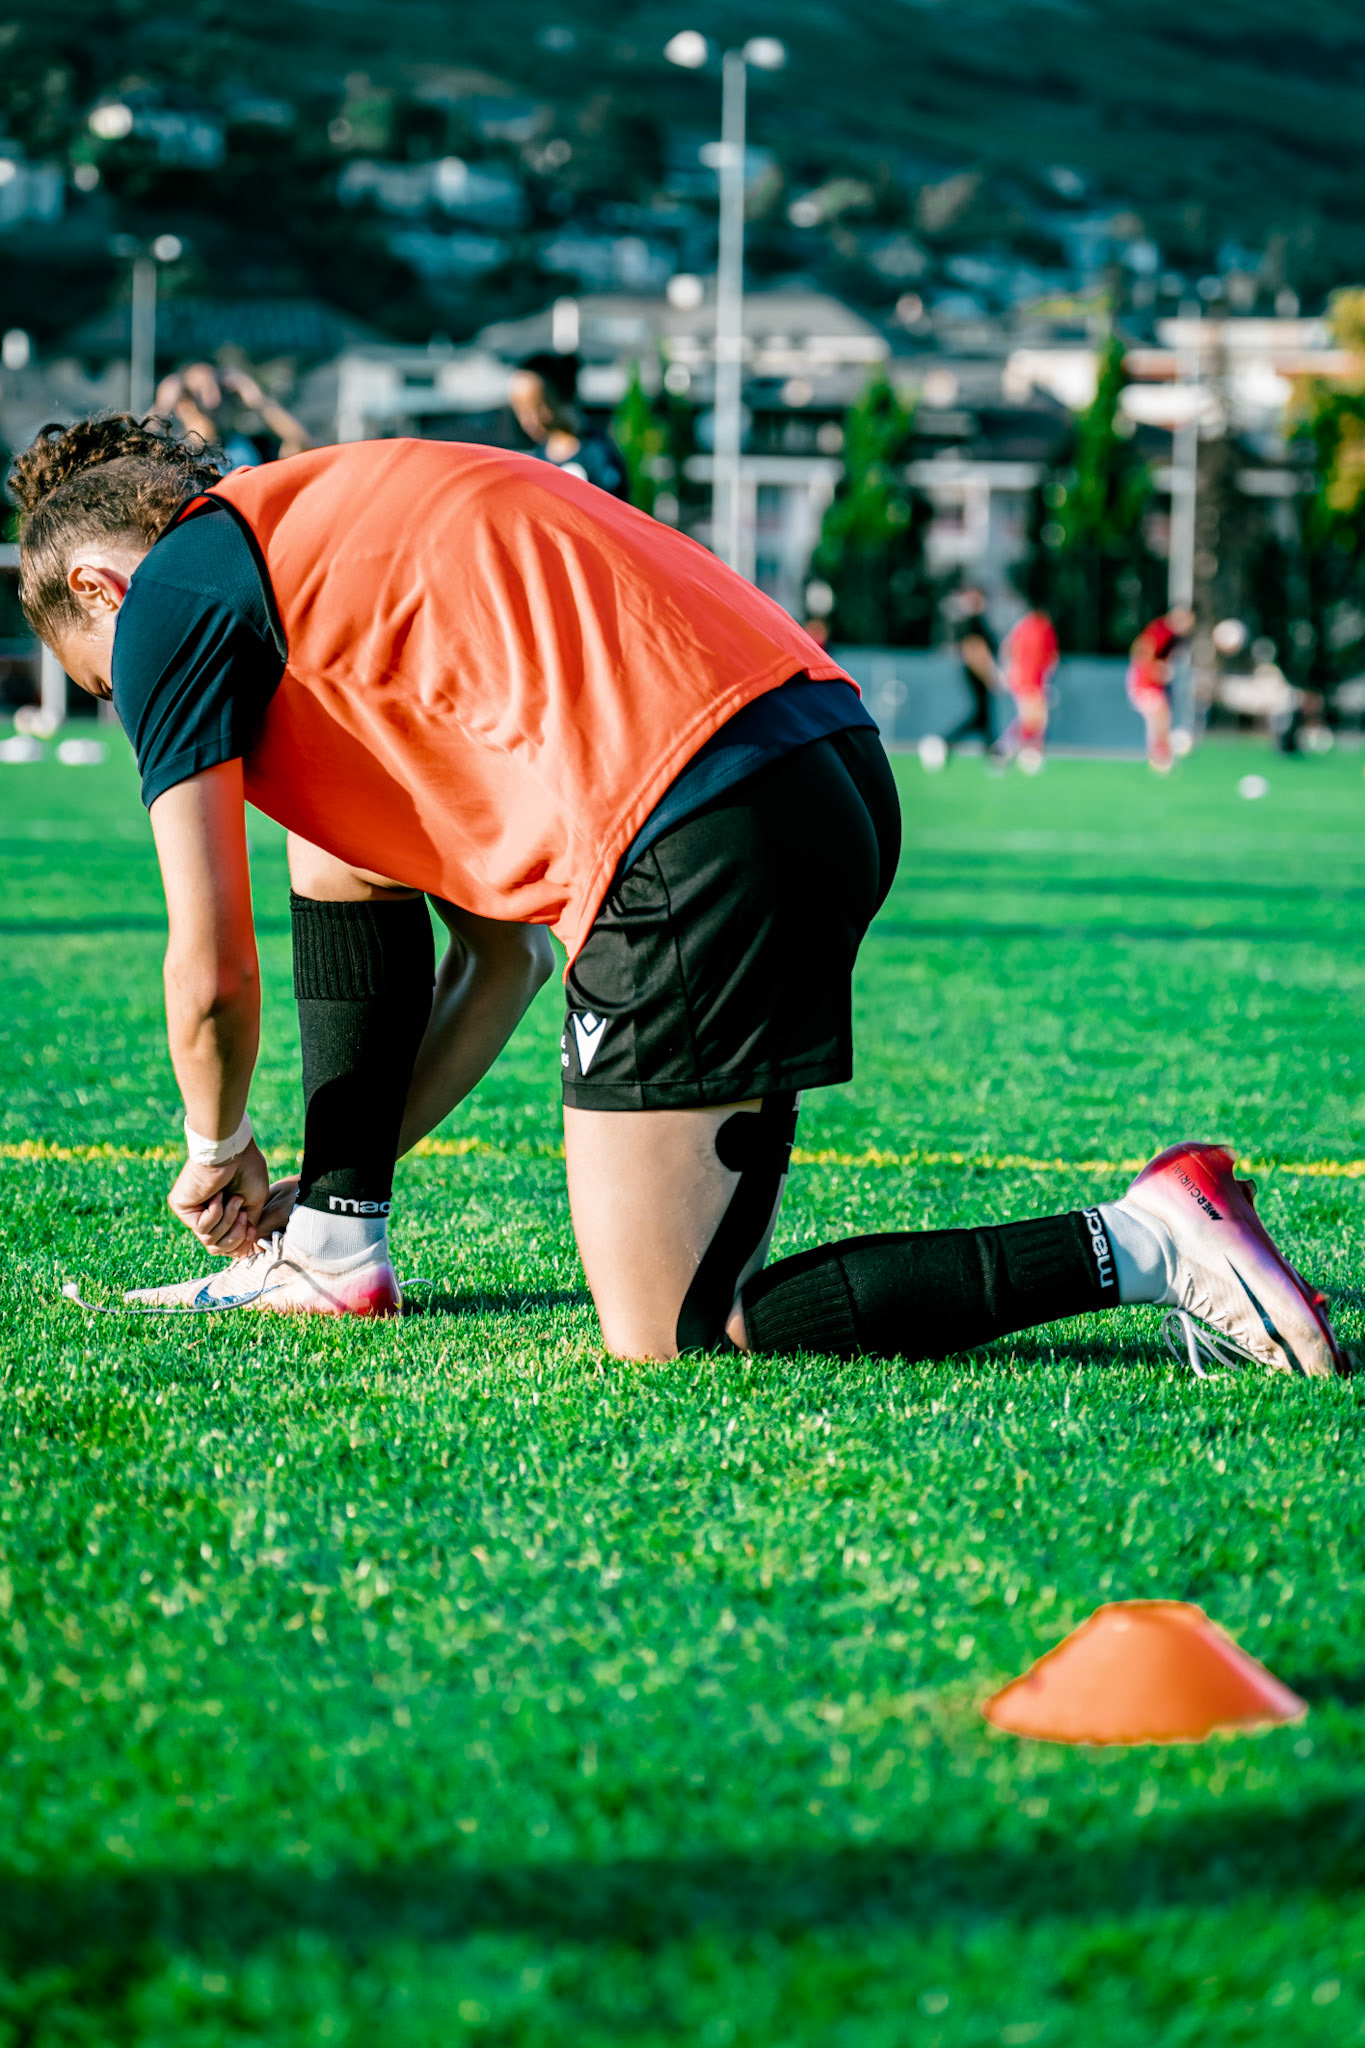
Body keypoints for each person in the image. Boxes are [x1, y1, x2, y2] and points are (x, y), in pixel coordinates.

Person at [11, 414, 1347, 1380]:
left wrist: (215, 1144)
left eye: (104, 682)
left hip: (696, 822)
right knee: (336, 844)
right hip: (817, 766)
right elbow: (501, 966)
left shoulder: (171, 597)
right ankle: (334, 1250)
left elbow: (213, 966)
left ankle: (1143, 1240)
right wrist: (322, 1197)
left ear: (98, 588)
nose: (133, 707)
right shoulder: (323, 530)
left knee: (673, 1332)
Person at [508, 352, 630, 500]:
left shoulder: (597, 454)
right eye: (521, 411)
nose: (528, 420)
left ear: (564, 396)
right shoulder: (537, 460)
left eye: (538, 407)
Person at [152, 361, 312, 467]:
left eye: (220, 389)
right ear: (182, 404)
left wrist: (260, 401)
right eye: (199, 392)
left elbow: (302, 445)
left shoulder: (248, 447)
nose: (213, 401)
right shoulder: (173, 456)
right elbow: (135, 459)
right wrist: (161, 408)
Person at [992, 605, 1059, 773]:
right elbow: (1053, 658)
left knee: (1031, 717)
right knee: (1036, 718)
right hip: (1032, 680)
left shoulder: (1022, 625)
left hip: (1019, 679)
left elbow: (1006, 648)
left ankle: (1008, 749)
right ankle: (1021, 751)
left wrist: (1006, 671)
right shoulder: (1044, 627)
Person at [1127, 605, 1194, 773]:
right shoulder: (1162, 630)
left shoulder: (1172, 635)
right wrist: (1154, 669)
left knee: (1161, 719)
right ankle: (1159, 756)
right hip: (1144, 682)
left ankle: (1161, 756)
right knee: (1158, 718)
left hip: (1152, 683)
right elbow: (1141, 650)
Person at [941, 584, 998, 754]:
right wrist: (988, 674)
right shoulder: (973, 623)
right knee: (981, 713)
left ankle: (991, 749)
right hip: (976, 673)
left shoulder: (977, 621)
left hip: (978, 673)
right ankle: (946, 742)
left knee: (984, 713)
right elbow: (974, 650)